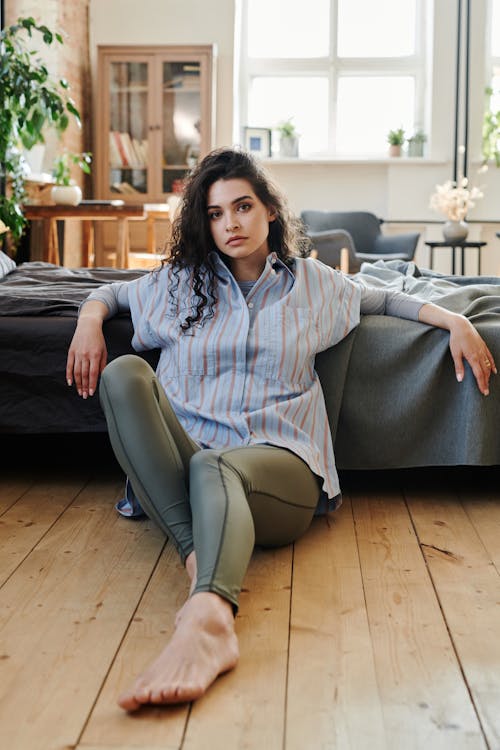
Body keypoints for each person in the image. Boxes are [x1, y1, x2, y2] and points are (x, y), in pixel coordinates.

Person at [66, 147, 496, 712]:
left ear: (269, 209)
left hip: (280, 468)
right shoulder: (178, 286)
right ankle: (204, 559)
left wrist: (456, 319)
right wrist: (88, 324)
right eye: (216, 214)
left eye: (243, 206)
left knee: (213, 465)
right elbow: (110, 292)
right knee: (125, 374)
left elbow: (387, 296)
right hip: (191, 453)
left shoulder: (312, 285)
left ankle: (210, 615)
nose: (231, 224)